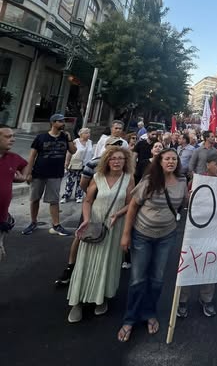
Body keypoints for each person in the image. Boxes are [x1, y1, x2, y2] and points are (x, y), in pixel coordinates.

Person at [118, 148, 187, 341]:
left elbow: (186, 203)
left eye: (174, 159)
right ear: (159, 161)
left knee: (157, 279)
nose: (171, 162)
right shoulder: (149, 181)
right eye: (167, 159)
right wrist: (126, 235)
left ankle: (149, 313)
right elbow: (133, 206)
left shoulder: (182, 181)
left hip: (167, 236)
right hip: (142, 235)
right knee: (137, 279)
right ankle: (130, 319)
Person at [67, 147, 134, 323]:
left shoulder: (128, 178)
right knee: (85, 261)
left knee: (107, 262)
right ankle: (77, 302)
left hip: (114, 226)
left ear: (125, 161)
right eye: (113, 158)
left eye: (120, 158)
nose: (117, 161)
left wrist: (118, 214)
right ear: (107, 161)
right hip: (94, 224)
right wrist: (86, 220)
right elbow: (88, 201)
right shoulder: (98, 177)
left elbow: (131, 203)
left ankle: (101, 298)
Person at [54, 138, 126, 287]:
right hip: (94, 206)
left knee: (107, 241)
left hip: (113, 209)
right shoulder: (94, 163)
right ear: (106, 146)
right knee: (82, 236)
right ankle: (71, 267)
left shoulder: (124, 167)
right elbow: (83, 184)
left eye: (118, 145)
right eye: (112, 145)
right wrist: (95, 198)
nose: (115, 148)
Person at [177, 152, 217, 320]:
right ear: (208, 165)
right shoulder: (198, 180)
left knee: (211, 264)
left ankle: (207, 299)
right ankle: (182, 300)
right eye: (216, 164)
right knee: (189, 263)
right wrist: (190, 196)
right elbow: (186, 203)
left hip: (216, 231)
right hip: (196, 230)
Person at [22, 114, 76, 236]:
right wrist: (28, 173)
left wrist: (69, 139)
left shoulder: (64, 137)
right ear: (53, 123)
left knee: (54, 200)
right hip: (39, 173)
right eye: (60, 121)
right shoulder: (41, 137)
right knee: (34, 198)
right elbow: (32, 156)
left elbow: (73, 151)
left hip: (56, 174)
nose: (63, 123)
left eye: (63, 121)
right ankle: (33, 222)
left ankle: (56, 225)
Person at [0, 126, 28, 260]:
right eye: (8, 136)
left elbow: (25, 165)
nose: (13, 139)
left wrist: (23, 177)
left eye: (13, 136)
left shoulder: (14, 158)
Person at [61, 128, 93, 204]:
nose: (88, 134)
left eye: (89, 133)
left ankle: (79, 196)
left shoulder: (90, 142)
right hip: (75, 164)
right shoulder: (75, 141)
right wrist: (67, 162)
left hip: (86, 165)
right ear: (81, 134)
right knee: (70, 181)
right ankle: (66, 196)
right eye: (86, 133)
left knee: (81, 182)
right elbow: (69, 152)